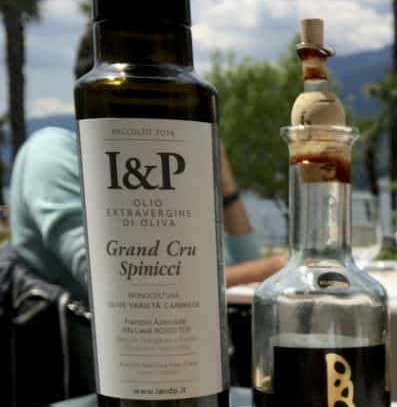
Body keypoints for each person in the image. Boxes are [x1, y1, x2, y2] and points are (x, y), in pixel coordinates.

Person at [9, 28, 284, 306]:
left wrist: (222, 176)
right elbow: (115, 283)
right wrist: (278, 268)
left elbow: (250, 281)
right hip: (96, 345)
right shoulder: (52, 150)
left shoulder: (168, 169)